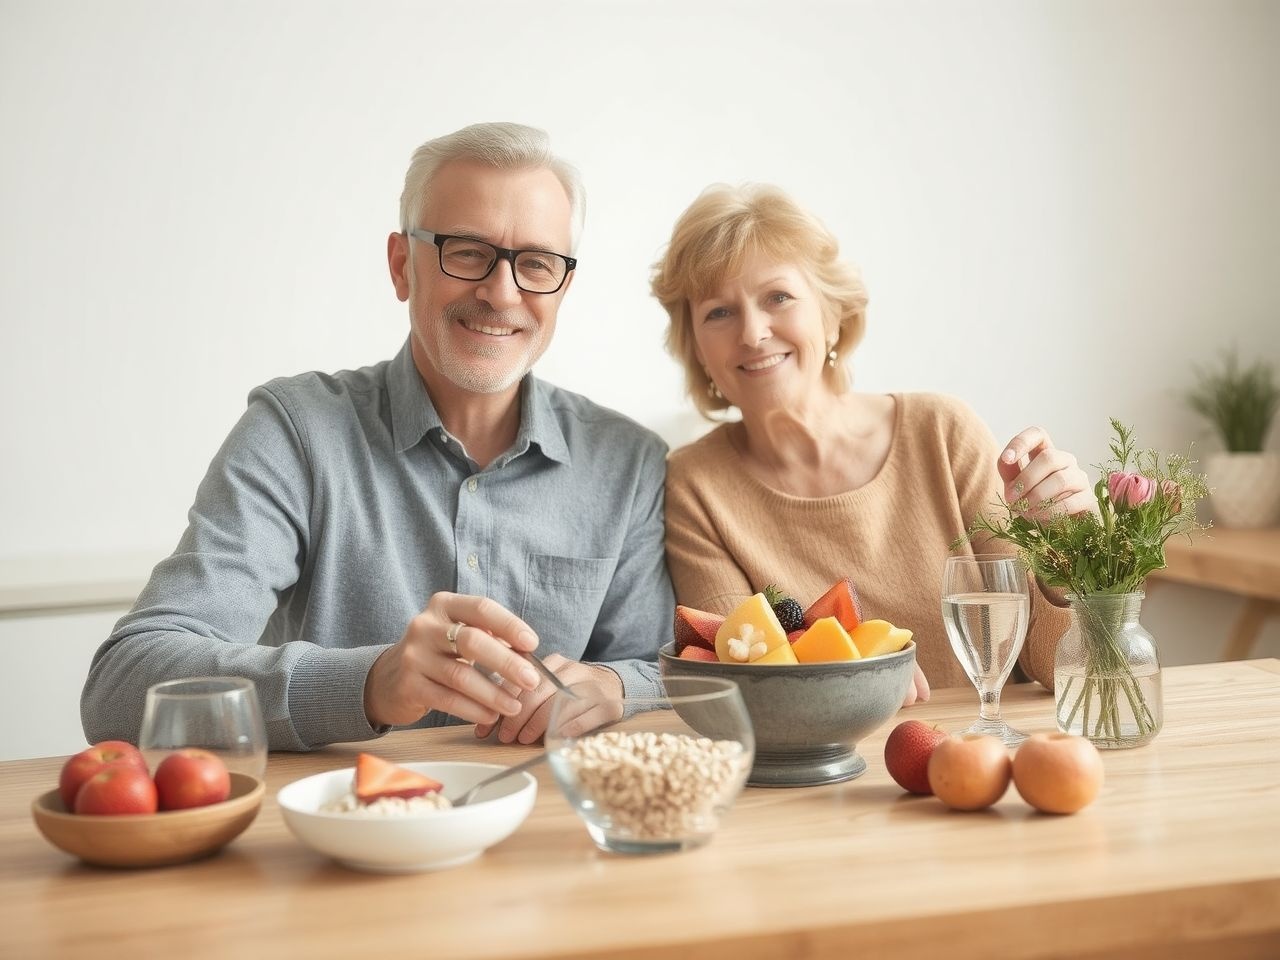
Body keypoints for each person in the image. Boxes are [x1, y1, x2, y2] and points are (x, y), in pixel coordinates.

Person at [82, 123, 673, 751]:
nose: (503, 294)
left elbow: (664, 670)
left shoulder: (629, 462)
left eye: (535, 264)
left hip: (549, 831)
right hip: (336, 831)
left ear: (563, 287)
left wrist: (614, 685)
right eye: (467, 252)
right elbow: (121, 687)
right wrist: (368, 682)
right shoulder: (296, 431)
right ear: (401, 266)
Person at [651, 184, 1090, 700]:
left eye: (779, 297)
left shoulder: (942, 432)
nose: (752, 332)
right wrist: (859, 680)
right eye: (718, 313)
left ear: (832, 315)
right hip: (818, 772)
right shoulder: (696, 484)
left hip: (987, 758)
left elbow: (1059, 668)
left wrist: (1067, 553)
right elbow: (738, 677)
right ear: (697, 348)